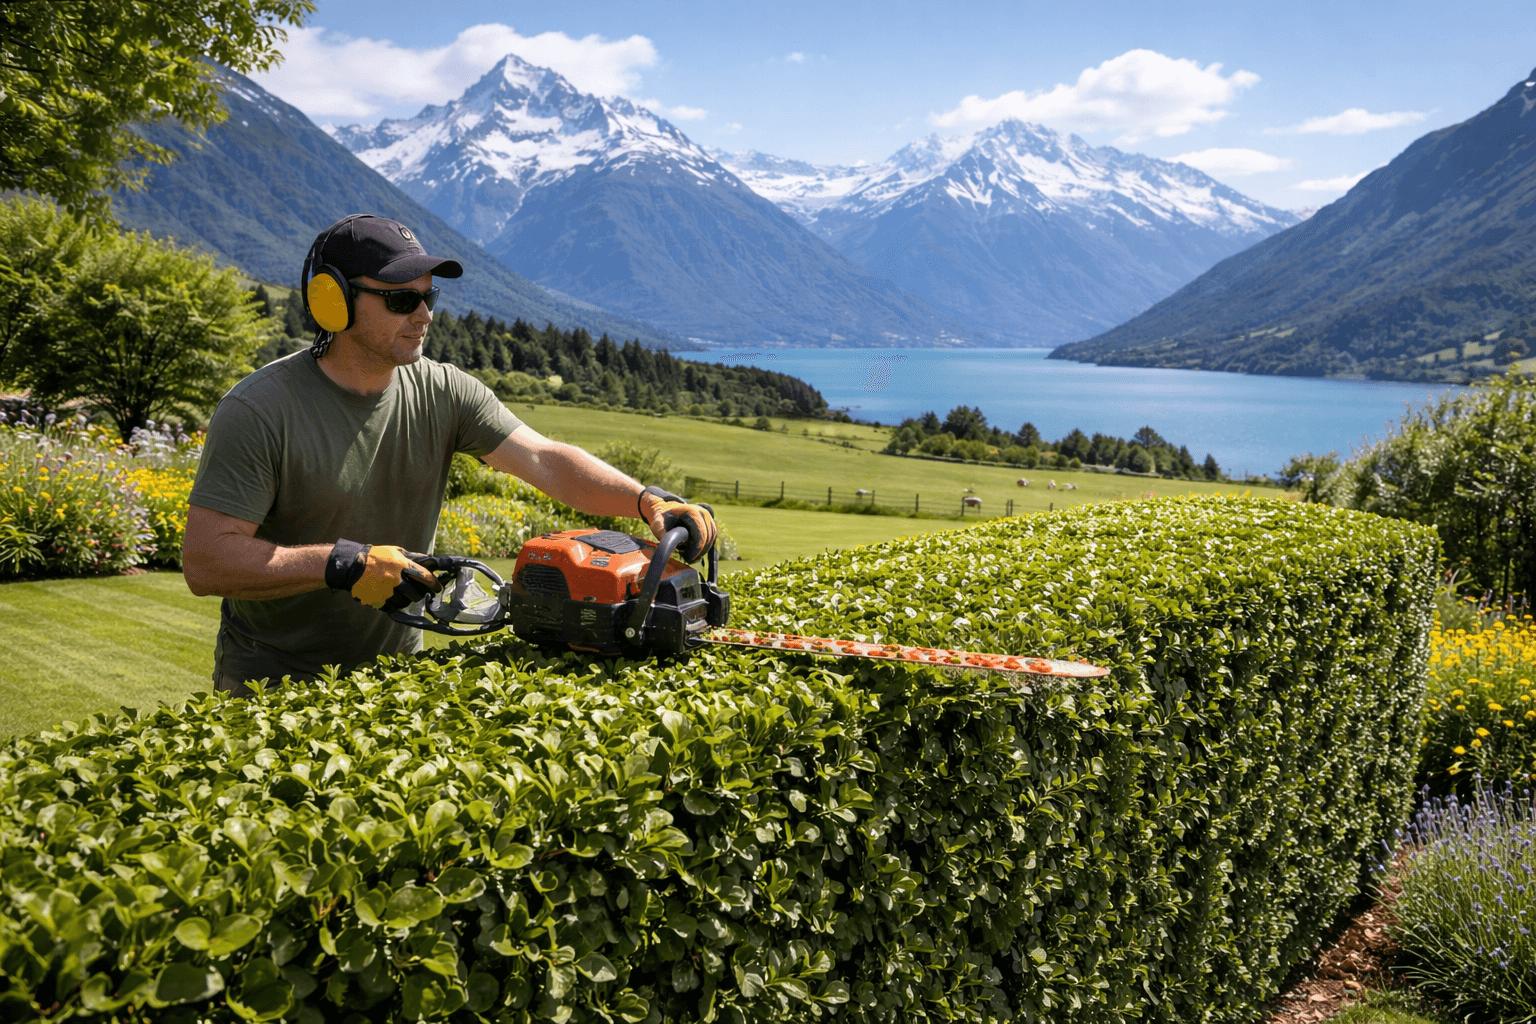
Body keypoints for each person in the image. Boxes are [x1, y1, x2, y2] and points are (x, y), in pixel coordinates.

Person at [182, 213, 716, 695]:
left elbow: (545, 459)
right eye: (401, 300)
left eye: (429, 297)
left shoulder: (444, 390)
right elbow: (207, 562)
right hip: (269, 683)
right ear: (333, 300)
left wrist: (646, 500)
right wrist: (344, 565)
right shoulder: (259, 410)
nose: (424, 316)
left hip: (392, 678)